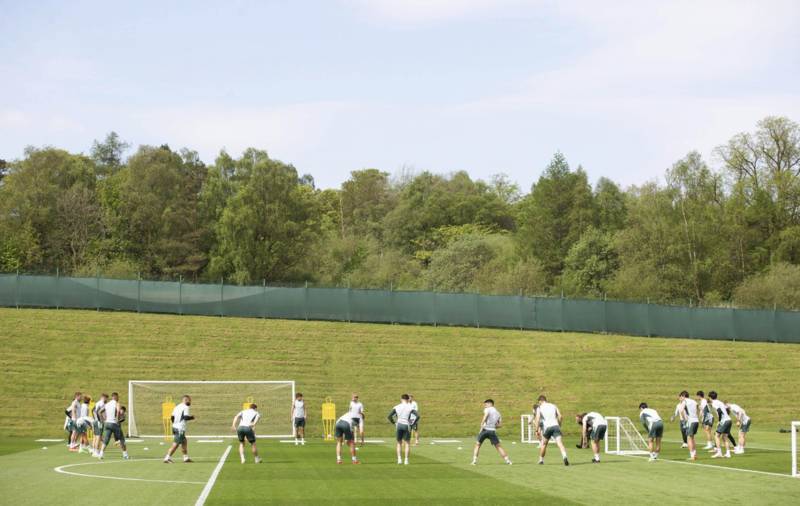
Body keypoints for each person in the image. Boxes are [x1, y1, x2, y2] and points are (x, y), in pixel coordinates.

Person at [472, 399, 512, 466]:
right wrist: (493, 426)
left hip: (485, 430)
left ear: (490, 404)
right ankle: (508, 461)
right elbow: (500, 425)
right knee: (498, 446)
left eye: (486, 404)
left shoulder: (488, 409)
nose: (485, 406)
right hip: (492, 431)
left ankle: (474, 461)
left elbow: (486, 415)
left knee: (477, 445)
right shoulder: (498, 413)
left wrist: (482, 424)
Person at [534, 395, 569, 466]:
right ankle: (564, 456)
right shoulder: (554, 405)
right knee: (560, 443)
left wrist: (536, 430)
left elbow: (537, 419)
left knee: (544, 444)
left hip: (547, 428)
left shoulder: (539, 407)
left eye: (539, 402)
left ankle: (541, 460)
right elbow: (560, 416)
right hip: (556, 426)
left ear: (540, 401)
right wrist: (559, 425)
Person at [388, 394, 419, 465]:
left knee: (399, 443)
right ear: (408, 399)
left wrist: (394, 423)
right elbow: (417, 416)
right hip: (407, 425)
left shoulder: (397, 406)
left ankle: (399, 459)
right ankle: (406, 460)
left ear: (401, 399)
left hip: (399, 425)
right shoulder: (410, 407)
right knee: (407, 443)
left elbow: (389, 416)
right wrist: (411, 423)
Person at [97, 392, 129, 460]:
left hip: (107, 423)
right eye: (118, 397)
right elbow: (118, 411)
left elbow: (99, 412)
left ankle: (101, 454)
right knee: (122, 439)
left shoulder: (107, 404)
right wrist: (117, 419)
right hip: (114, 423)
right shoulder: (117, 403)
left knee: (106, 439)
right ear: (116, 397)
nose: (118, 398)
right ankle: (125, 455)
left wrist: (103, 420)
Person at [164, 395, 194, 463]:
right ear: (186, 400)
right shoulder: (186, 407)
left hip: (175, 427)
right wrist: (192, 417)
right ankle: (167, 458)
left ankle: (185, 458)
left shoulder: (177, 406)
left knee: (184, 441)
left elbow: (172, 417)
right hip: (180, 428)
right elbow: (186, 417)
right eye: (189, 400)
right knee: (176, 444)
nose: (190, 402)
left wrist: (175, 424)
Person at [708, 391, 732, 459]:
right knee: (724, 437)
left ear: (710, 397)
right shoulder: (720, 402)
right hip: (729, 420)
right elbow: (727, 409)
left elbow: (719, 411)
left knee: (716, 435)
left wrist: (719, 421)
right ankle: (728, 453)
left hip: (724, 421)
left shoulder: (714, 403)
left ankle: (719, 452)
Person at [678, 391, 699, 460]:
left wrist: (685, 419)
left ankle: (692, 456)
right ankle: (695, 454)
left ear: (683, 396)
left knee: (689, 438)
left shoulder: (685, 401)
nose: (680, 399)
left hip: (691, 421)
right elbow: (698, 408)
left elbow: (681, 410)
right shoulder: (693, 401)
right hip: (696, 420)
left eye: (680, 397)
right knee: (692, 438)